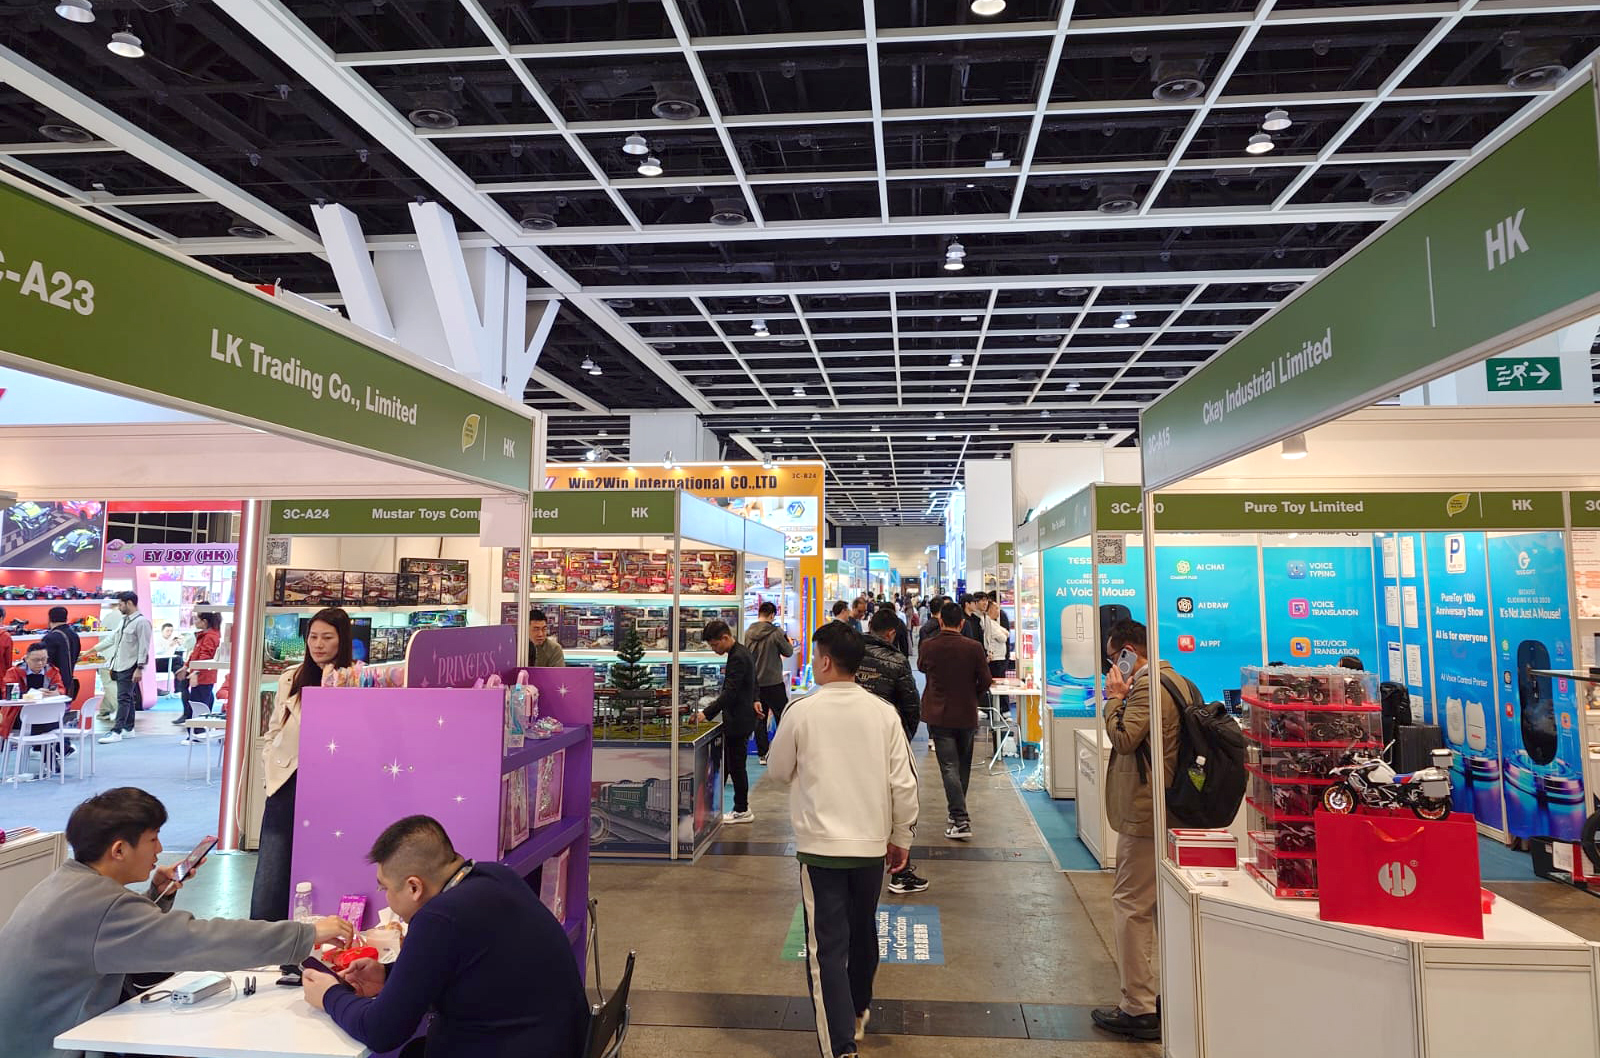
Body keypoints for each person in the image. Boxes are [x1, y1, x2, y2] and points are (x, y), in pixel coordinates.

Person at [0, 787, 351, 1058]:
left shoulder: (66, 883)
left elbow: (111, 934)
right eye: (152, 839)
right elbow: (202, 940)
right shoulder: (103, 906)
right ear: (119, 850)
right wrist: (306, 934)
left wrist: (156, 894)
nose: (159, 849)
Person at [303, 815, 587, 1058]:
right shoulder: (495, 876)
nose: (386, 897)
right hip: (555, 1042)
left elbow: (381, 1031)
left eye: (384, 888)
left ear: (414, 887)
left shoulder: (438, 918)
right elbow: (468, 968)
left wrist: (330, 995)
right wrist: (388, 975)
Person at [767, 622, 917, 1058]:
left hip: (821, 850)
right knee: (863, 928)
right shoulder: (883, 713)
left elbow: (777, 770)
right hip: (871, 846)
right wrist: (901, 836)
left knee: (826, 949)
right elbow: (905, 783)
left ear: (826, 661)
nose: (813, 662)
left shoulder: (801, 711)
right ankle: (858, 1009)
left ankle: (840, 1047)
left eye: (815, 656)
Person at [1092, 619, 1182, 1043]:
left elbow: (1125, 738)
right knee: (1155, 904)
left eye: (1114, 658)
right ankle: (1168, 994)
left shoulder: (1148, 685)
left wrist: (1113, 699)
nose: (1112, 666)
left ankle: (1138, 1007)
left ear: (1129, 652)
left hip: (1147, 812)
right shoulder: (1174, 679)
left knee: (1131, 906)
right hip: (1164, 809)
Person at [253, 606, 354, 921]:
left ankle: (317, 929)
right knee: (273, 862)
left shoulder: (355, 678)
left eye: (328, 637)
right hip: (288, 780)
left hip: (333, 782)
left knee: (325, 862)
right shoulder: (291, 677)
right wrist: (270, 765)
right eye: (313, 637)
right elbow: (273, 730)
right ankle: (264, 933)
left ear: (342, 640)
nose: (318, 644)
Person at [857, 608, 928, 895]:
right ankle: (900, 873)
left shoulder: (848, 655)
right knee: (894, 802)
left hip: (848, 741)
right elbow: (911, 707)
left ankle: (856, 866)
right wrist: (901, 741)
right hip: (884, 742)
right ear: (891, 634)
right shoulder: (897, 661)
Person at [917, 601, 991, 840]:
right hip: (966, 713)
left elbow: (921, 667)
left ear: (940, 621)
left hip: (939, 714)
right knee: (963, 765)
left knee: (949, 766)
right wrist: (972, 694)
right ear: (961, 623)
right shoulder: (974, 647)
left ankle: (959, 818)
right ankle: (957, 814)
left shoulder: (929, 646)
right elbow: (986, 680)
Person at [696, 618, 758, 823]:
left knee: (737, 766)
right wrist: (756, 700)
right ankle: (718, 808)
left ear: (725, 637)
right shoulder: (741, 652)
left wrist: (706, 713)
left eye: (715, 645)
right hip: (741, 717)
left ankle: (742, 809)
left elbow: (730, 692)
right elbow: (752, 681)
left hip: (739, 720)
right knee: (731, 764)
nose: (714, 649)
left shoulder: (737, 657)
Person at [0, 644, 69, 772]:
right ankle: (55, 752)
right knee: (42, 723)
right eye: (36, 660)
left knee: (48, 719)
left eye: (44, 659)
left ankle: (52, 752)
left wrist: (56, 692)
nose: (41, 663)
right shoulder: (13, 672)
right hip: (17, 716)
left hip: (45, 716)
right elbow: (7, 693)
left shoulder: (53, 671)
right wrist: (32, 695)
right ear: (26, 658)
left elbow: (61, 689)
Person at [96, 591, 152, 744]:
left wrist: (139, 668)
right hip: (119, 664)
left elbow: (144, 648)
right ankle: (128, 728)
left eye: (120, 604)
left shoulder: (142, 622)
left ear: (129, 603)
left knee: (123, 698)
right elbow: (112, 639)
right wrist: (92, 650)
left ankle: (117, 731)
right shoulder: (124, 621)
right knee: (127, 698)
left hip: (130, 666)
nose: (119, 607)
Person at [744, 600, 794, 765]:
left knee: (759, 718)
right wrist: (788, 641)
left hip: (755, 683)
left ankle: (762, 754)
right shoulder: (776, 632)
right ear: (772, 615)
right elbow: (788, 652)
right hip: (773, 682)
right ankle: (783, 751)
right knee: (783, 717)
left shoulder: (747, 632)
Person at [175, 610, 222, 741]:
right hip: (202, 675)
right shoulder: (205, 636)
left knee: (198, 704)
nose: (195, 622)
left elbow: (204, 657)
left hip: (203, 677)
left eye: (197, 619)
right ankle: (198, 733)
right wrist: (186, 667)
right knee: (201, 702)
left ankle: (198, 734)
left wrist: (195, 672)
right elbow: (196, 654)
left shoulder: (209, 636)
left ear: (204, 621)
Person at [40, 605, 82, 698]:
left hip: (54, 684)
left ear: (49, 619)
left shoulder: (50, 638)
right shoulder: (74, 635)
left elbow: (44, 662)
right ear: (66, 618)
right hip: (69, 681)